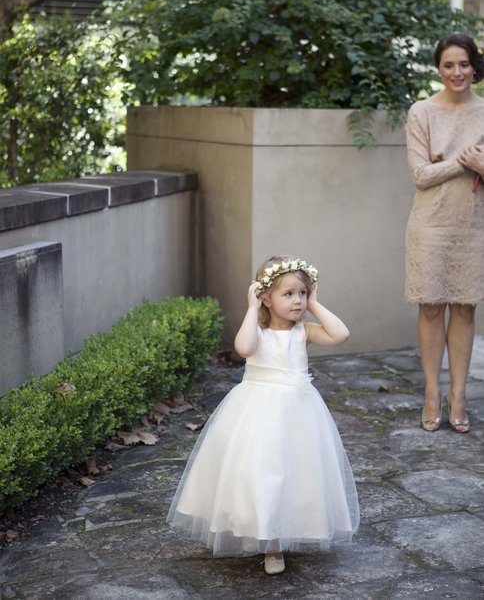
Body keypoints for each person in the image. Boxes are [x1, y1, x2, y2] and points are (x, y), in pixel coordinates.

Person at [167, 256, 359, 574]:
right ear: (267, 296)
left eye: (302, 293)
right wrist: (252, 309)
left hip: (299, 412)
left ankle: (287, 529)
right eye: (289, 294)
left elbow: (340, 335)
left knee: (297, 471)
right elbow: (243, 348)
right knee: (262, 470)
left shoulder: (304, 332)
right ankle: (271, 544)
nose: (297, 300)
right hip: (258, 409)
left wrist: (316, 304)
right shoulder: (257, 330)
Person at [405, 32, 484, 433]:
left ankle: (459, 395)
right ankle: (432, 393)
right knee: (431, 306)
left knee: (465, 307)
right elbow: (421, 175)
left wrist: (481, 167)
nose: (458, 72)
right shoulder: (421, 112)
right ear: (438, 68)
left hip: (473, 224)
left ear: (475, 67)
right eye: (449, 65)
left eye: (464, 64)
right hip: (430, 224)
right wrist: (464, 161)